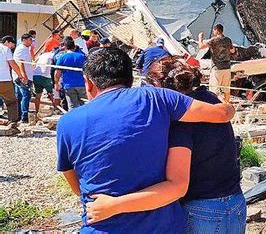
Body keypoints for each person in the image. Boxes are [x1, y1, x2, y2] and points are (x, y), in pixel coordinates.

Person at [56, 48, 235, 232]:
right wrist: (227, 104)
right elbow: (221, 114)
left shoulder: (67, 122)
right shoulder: (157, 98)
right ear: (130, 78)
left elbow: (77, 185)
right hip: (163, 226)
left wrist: (113, 203)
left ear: (89, 83)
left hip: (102, 226)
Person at [198, 24, 235, 102]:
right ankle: (227, 105)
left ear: (217, 30)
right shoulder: (228, 40)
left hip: (217, 68)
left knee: (215, 91)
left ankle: (218, 106)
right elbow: (232, 51)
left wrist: (200, 38)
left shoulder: (213, 40)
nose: (213, 32)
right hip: (227, 67)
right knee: (226, 90)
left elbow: (201, 46)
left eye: (214, 30)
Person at [54, 37, 87, 110]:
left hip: (68, 85)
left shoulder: (62, 57)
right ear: (74, 47)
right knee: (84, 105)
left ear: (65, 47)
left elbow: (57, 72)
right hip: (81, 84)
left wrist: (56, 83)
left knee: (72, 106)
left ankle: (73, 120)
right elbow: (87, 70)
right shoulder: (81, 56)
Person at [0, 36, 25, 123]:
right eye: (12, 44)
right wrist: (20, 75)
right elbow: (12, 64)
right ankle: (12, 122)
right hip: (4, 80)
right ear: (7, 42)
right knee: (11, 102)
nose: (12, 46)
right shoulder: (5, 49)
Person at [13, 33, 35, 123]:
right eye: (30, 40)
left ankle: (18, 116)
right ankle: (24, 116)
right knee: (26, 95)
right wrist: (24, 75)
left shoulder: (25, 49)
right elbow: (20, 63)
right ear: (24, 40)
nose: (31, 42)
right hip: (23, 77)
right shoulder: (22, 49)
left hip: (21, 76)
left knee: (20, 96)